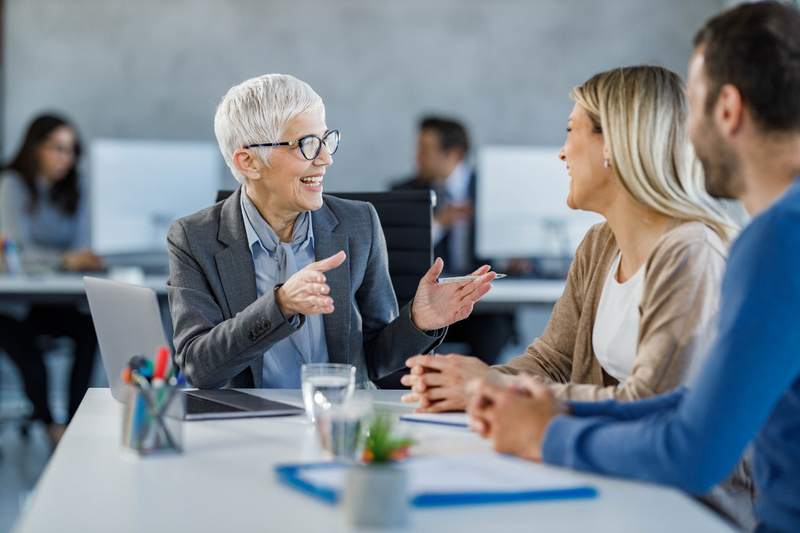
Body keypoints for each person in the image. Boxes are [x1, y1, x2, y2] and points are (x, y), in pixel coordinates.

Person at [467, 3, 800, 531]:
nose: (682, 134)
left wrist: (544, 433)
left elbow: (694, 449)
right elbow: (690, 406)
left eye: (692, 106)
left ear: (728, 109)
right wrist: (526, 402)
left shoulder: (776, 240)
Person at [402, 66, 736, 413]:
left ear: (613, 144)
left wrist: (495, 388)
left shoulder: (691, 253)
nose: (562, 153)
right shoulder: (600, 245)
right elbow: (552, 362)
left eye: (570, 131)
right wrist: (463, 385)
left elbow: (652, 402)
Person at [167, 74, 496, 389]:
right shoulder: (194, 239)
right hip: (248, 426)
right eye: (307, 145)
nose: (325, 159)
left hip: (340, 419)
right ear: (248, 162)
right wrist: (279, 305)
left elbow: (375, 358)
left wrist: (417, 322)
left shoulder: (358, 224)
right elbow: (198, 368)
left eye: (326, 140)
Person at [0, 113, 103, 443]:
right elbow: (17, 250)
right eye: (57, 148)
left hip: (55, 302)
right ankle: (49, 424)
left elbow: (81, 247)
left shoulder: (75, 188)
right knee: (21, 341)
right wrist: (63, 260)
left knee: (90, 331)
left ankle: (74, 424)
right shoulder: (12, 185)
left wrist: (76, 259)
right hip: (15, 306)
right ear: (35, 149)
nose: (65, 158)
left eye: (71, 150)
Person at [391, 117, 515, 365]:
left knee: (491, 339)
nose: (417, 157)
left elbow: (515, 241)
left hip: (486, 306)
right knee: (410, 334)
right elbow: (396, 249)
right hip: (431, 303)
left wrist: (514, 256)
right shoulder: (405, 192)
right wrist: (438, 224)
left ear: (453, 154)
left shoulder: (495, 188)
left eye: (425, 149)